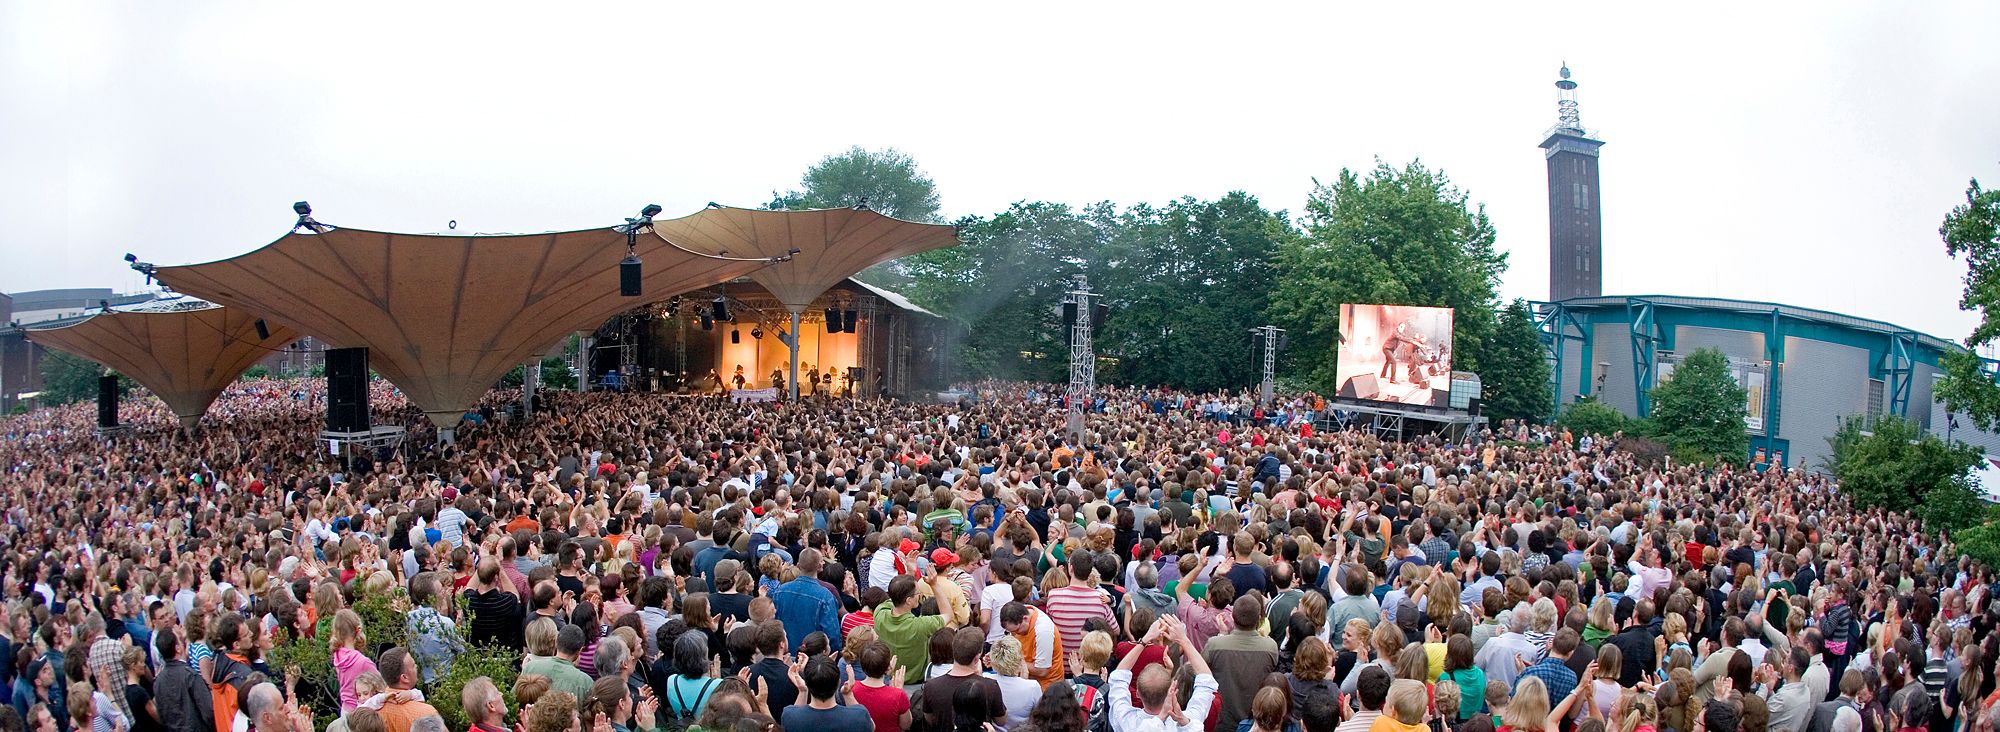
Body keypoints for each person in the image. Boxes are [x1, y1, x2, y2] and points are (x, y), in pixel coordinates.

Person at [1106, 615, 1216, 732]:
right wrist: (1183, 640)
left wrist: (1145, 640)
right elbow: (1206, 680)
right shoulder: (1187, 721)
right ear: (1171, 691)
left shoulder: (1127, 721)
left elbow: (1118, 677)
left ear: (1138, 693)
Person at [781, 657, 873, 732]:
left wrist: (803, 691)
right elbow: (871, 727)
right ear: (838, 682)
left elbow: (792, 718)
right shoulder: (859, 717)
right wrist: (848, 694)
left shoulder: (789, 716)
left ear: (807, 684)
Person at [848, 642, 910, 732]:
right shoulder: (898, 695)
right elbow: (905, 725)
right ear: (888, 666)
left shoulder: (851, 690)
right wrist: (899, 690)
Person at [984, 638, 1040, 731]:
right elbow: (1038, 716)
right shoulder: (1032, 687)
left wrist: (995, 661)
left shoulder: (986, 680)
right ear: (1019, 659)